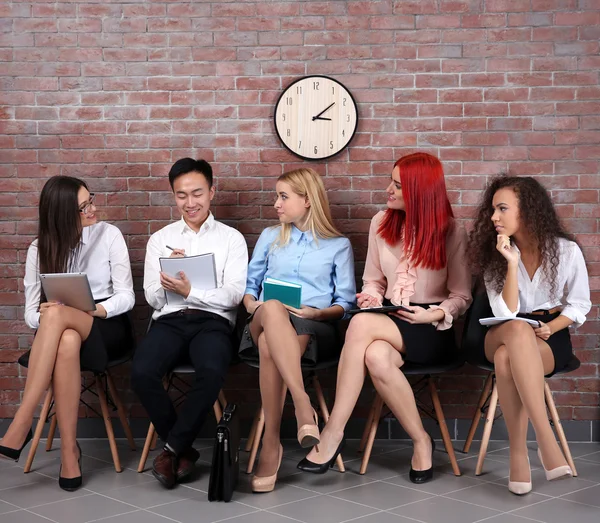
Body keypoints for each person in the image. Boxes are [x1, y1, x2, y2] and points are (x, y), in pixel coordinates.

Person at [297, 152, 471, 484]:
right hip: (391, 317)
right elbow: (373, 281)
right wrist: (373, 296)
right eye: (391, 181)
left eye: (398, 186)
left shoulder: (452, 232)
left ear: (420, 193)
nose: (388, 190)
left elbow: (461, 295)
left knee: (360, 323)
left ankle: (333, 431)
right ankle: (421, 440)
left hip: (431, 326)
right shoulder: (380, 222)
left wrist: (434, 314)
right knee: (376, 356)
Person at [0, 176, 135, 491]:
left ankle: (23, 420)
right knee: (65, 334)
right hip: (59, 333)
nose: (93, 208)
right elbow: (31, 314)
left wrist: (94, 311)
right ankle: (70, 453)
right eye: (83, 207)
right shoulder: (39, 249)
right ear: (62, 215)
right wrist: (48, 314)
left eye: (91, 200)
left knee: (61, 316)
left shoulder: (109, 235)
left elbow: (127, 296)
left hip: (105, 324)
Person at [468, 176, 591, 495]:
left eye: (502, 208)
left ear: (528, 211)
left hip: (549, 334)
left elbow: (579, 304)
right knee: (516, 329)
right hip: (501, 330)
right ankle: (546, 441)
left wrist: (555, 325)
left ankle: (518, 453)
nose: (494, 216)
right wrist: (511, 263)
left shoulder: (566, 251)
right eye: (493, 209)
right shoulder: (494, 253)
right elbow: (506, 314)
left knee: (507, 359)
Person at [131, 158, 248, 490]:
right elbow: (152, 297)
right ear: (173, 196)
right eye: (181, 195)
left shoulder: (231, 239)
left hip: (213, 324)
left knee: (211, 371)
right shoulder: (161, 239)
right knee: (141, 373)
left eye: (197, 193)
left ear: (211, 192)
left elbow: (233, 296)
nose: (190, 202)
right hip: (169, 321)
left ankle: (171, 449)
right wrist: (171, 285)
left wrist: (190, 290)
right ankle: (181, 450)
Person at [240, 167, 356, 493]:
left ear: (307, 200)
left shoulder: (338, 245)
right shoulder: (269, 237)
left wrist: (316, 312)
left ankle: (271, 444)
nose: (276, 204)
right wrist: (253, 305)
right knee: (273, 308)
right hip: (263, 316)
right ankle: (302, 403)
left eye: (283, 196)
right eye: (277, 196)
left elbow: (345, 303)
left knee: (269, 347)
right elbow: (249, 291)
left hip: (311, 324)